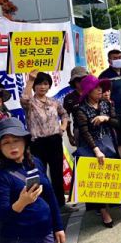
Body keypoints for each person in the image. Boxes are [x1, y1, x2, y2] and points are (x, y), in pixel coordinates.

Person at [74, 75, 121, 227]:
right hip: (92, 148)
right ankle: (104, 212)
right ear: (88, 91)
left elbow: (117, 123)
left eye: (101, 87)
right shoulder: (81, 109)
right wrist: (96, 150)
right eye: (96, 88)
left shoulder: (106, 104)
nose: (100, 90)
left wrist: (105, 118)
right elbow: (84, 132)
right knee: (98, 182)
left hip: (109, 145)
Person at [21, 71, 69, 209]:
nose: (42, 87)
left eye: (45, 84)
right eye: (39, 84)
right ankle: (44, 205)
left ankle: (61, 203)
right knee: (40, 174)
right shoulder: (31, 103)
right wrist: (30, 80)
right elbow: (24, 99)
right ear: (35, 86)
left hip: (54, 141)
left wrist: (63, 127)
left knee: (57, 173)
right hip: (37, 143)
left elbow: (64, 113)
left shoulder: (54, 102)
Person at [99, 50, 121, 161]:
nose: (118, 59)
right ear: (109, 60)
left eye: (120, 57)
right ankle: (119, 169)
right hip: (114, 115)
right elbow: (101, 95)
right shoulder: (104, 76)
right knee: (118, 142)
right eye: (115, 58)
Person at [63, 66, 89, 145]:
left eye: (84, 79)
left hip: (97, 128)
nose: (81, 82)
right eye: (78, 80)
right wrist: (69, 135)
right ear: (74, 82)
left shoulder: (92, 92)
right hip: (79, 130)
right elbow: (65, 117)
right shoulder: (69, 98)